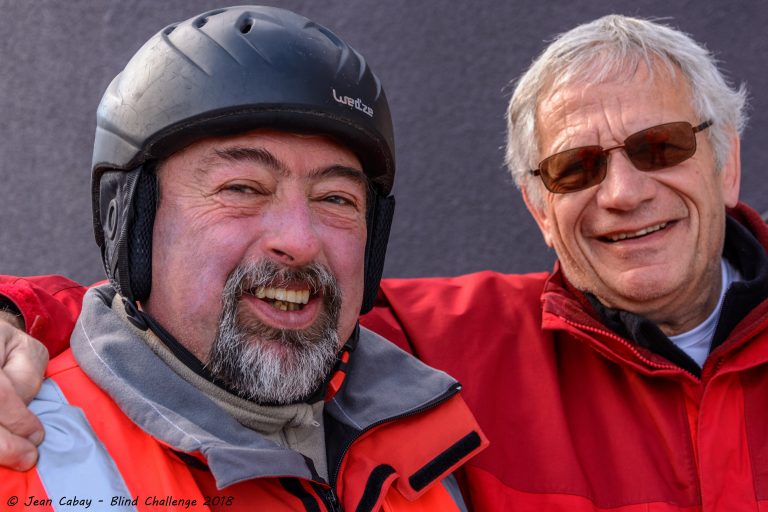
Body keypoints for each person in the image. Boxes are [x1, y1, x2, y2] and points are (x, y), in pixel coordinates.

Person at [0, 12, 763, 511]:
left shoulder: (403, 391)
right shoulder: (451, 344)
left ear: (727, 164)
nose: (624, 192)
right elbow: (202, 311)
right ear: (539, 208)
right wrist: (15, 315)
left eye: (662, 148)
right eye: (576, 168)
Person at [0, 6, 487, 511]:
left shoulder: (437, 450)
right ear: (128, 222)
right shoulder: (23, 451)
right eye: (242, 188)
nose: (299, 241)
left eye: (335, 198)